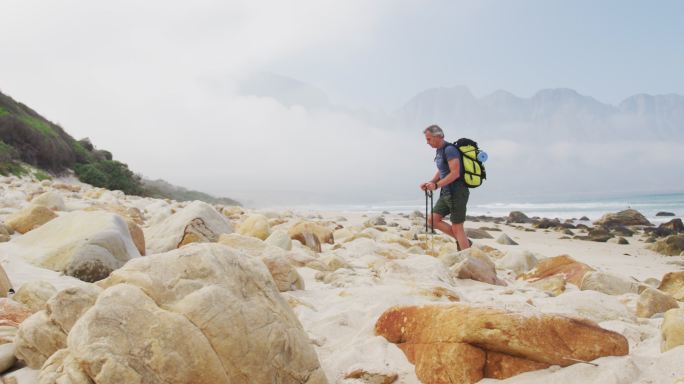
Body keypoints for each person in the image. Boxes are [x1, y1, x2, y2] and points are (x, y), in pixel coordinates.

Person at [419, 124, 471, 250]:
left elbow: (455, 173)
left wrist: (436, 185)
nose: (427, 142)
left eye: (429, 139)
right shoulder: (440, 150)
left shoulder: (450, 150)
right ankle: (465, 242)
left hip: (457, 192)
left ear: (438, 136)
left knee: (457, 228)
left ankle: (467, 258)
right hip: (446, 192)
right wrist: (431, 182)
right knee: (432, 220)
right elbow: (442, 170)